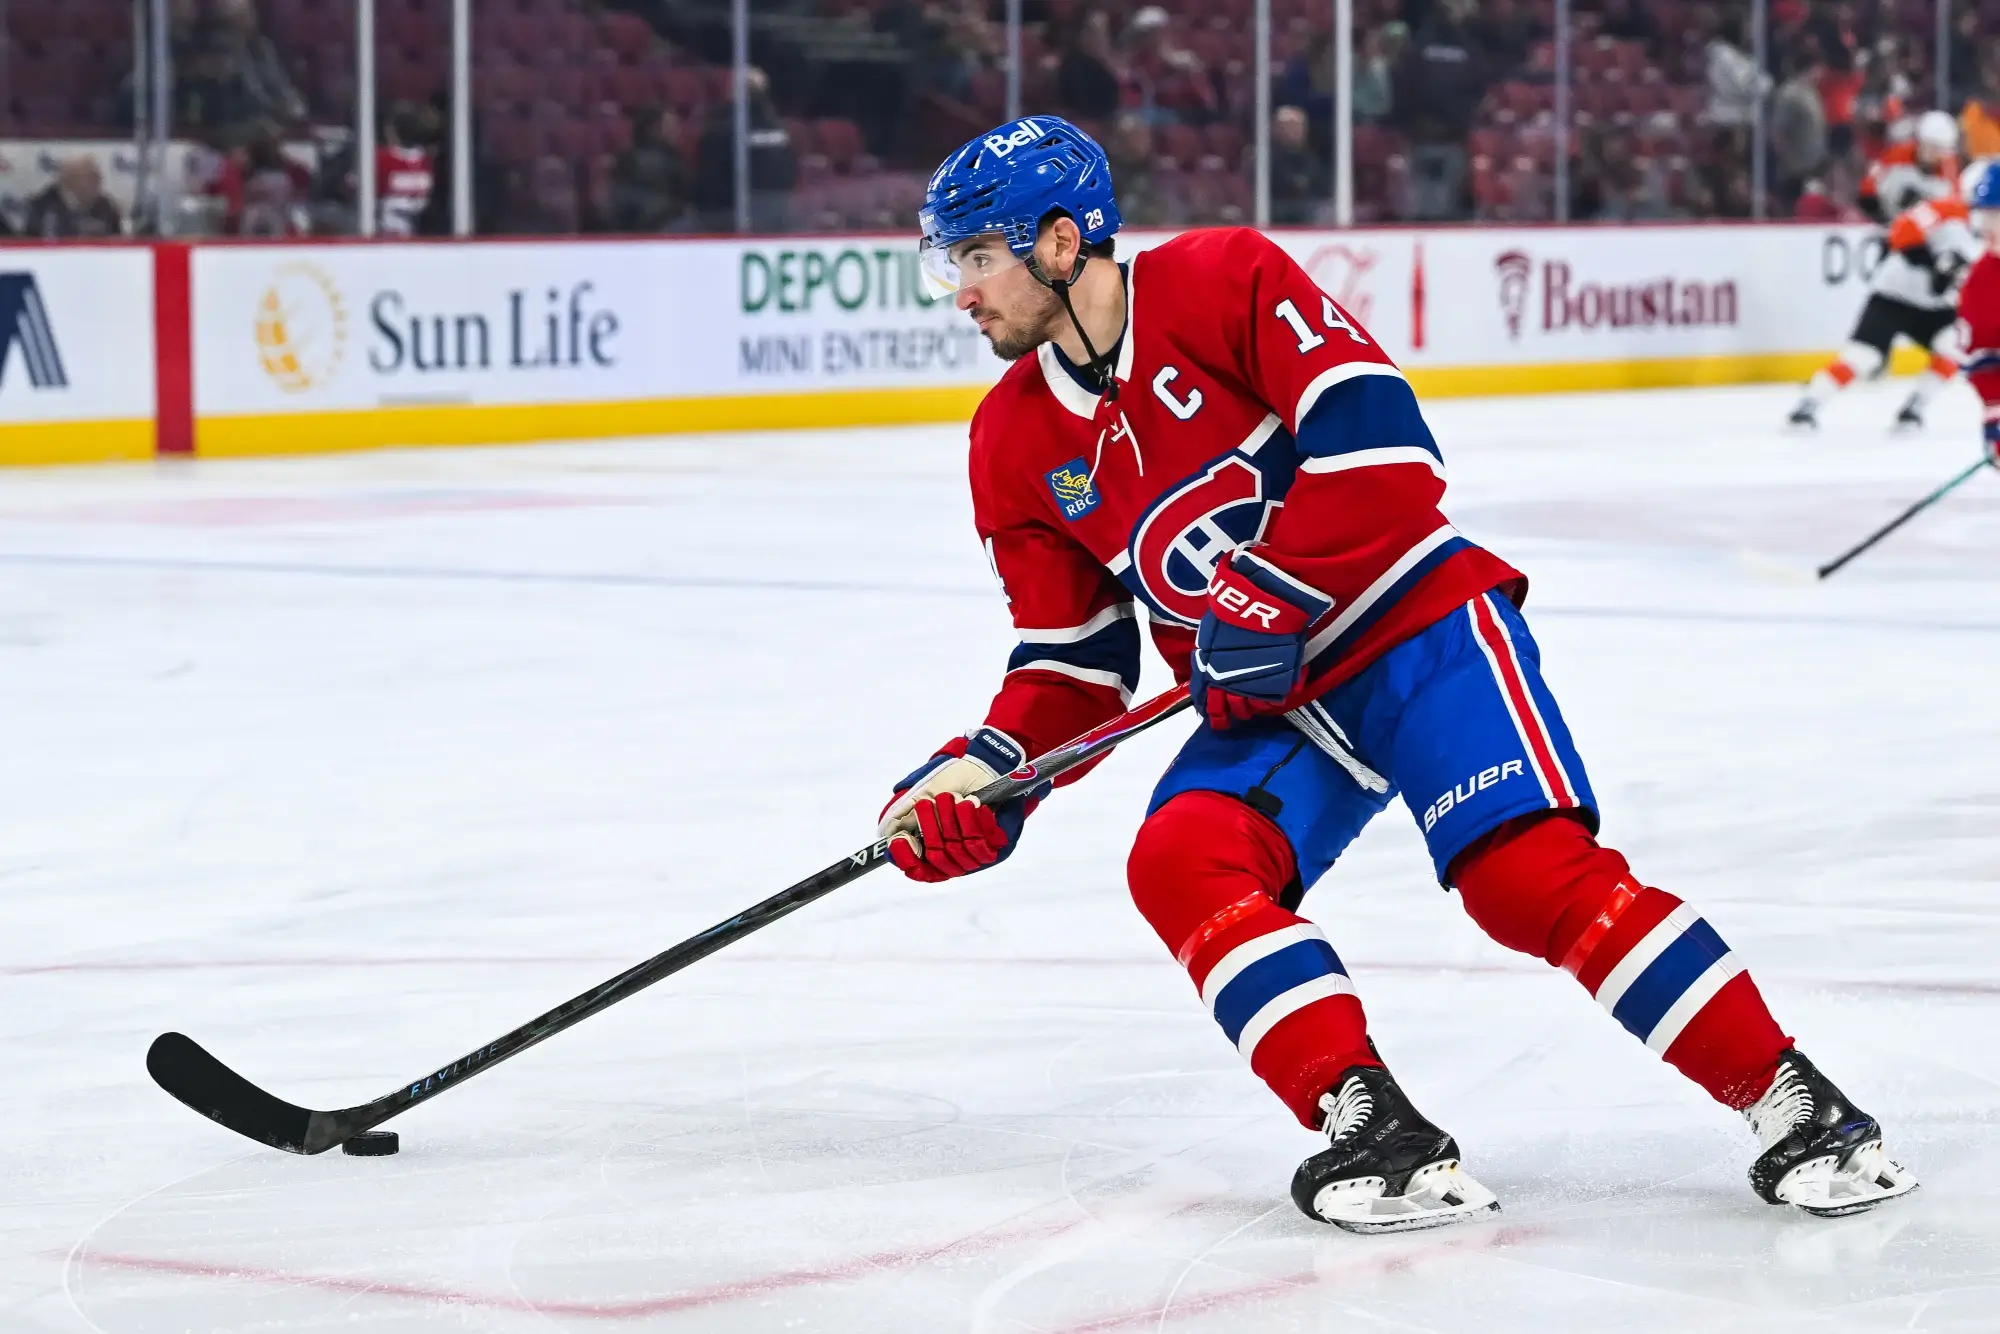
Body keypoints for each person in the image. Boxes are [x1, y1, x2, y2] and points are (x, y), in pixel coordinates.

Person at [886, 115, 1918, 1232]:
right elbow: (1072, 663)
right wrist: (984, 778)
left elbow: (1381, 445)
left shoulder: (1221, 275)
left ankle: (1795, 1100)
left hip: (1411, 626)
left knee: (1522, 876)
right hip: (1272, 699)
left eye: (976, 258)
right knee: (1181, 859)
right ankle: (1371, 1123)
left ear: (1054, 242)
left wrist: (1262, 591)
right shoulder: (1010, 441)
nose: (961, 293)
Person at [1789, 189, 1979, 430]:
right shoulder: (1948, 211)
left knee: (1954, 348)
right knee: (1864, 356)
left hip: (1936, 306)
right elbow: (1901, 232)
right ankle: (1809, 403)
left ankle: (1914, 408)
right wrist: (1930, 262)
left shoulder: (1986, 233)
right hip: (1894, 296)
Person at [1956, 161, 2000, 462]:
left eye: (1995, 215)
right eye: (1983, 214)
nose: (1985, 226)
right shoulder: (1981, 280)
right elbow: (1983, 360)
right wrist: (1995, 415)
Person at [1859, 109, 1960, 223]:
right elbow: (1868, 190)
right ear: (1921, 143)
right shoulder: (1898, 155)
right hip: (1886, 220)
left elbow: (1953, 202)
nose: (1937, 155)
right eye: (1933, 148)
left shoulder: (1948, 168)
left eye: (1942, 151)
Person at [610, 107, 692, 232]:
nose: (676, 131)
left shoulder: (672, 156)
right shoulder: (641, 160)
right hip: (652, 226)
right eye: (670, 126)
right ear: (653, 129)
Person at [23, 156, 124, 238]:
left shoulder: (106, 207)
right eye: (89, 177)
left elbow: (116, 241)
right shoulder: (42, 207)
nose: (97, 183)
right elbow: (30, 243)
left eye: (97, 177)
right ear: (69, 181)